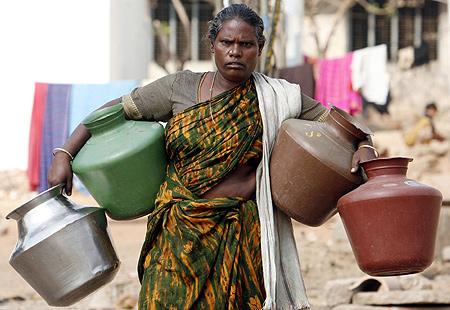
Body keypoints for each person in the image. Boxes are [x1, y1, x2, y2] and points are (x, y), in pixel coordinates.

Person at [48, 4, 377, 309]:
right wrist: (65, 152)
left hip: (239, 236)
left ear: (259, 49)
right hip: (176, 232)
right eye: (227, 42)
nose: (235, 51)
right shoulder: (179, 88)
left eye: (246, 44)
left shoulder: (277, 96)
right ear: (212, 45)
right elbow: (113, 111)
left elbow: (339, 125)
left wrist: (365, 144)